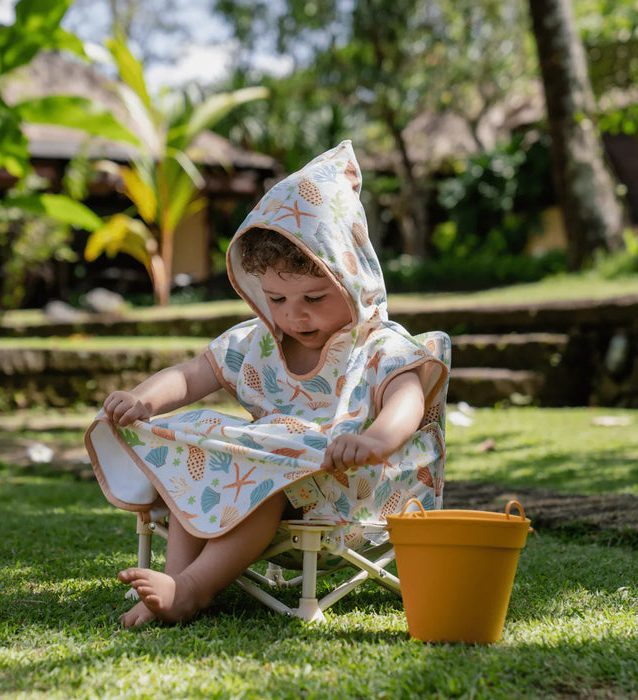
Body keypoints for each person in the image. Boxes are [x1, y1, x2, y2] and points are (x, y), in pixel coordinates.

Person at [85, 140, 448, 628]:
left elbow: (406, 401)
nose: (295, 315)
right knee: (205, 446)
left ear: (353, 279)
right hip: (267, 474)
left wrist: (373, 441)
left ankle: (193, 589)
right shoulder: (256, 343)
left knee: (261, 476)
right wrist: (142, 399)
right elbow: (194, 373)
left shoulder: (377, 345)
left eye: (315, 297)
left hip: (354, 488)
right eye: (276, 298)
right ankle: (174, 582)